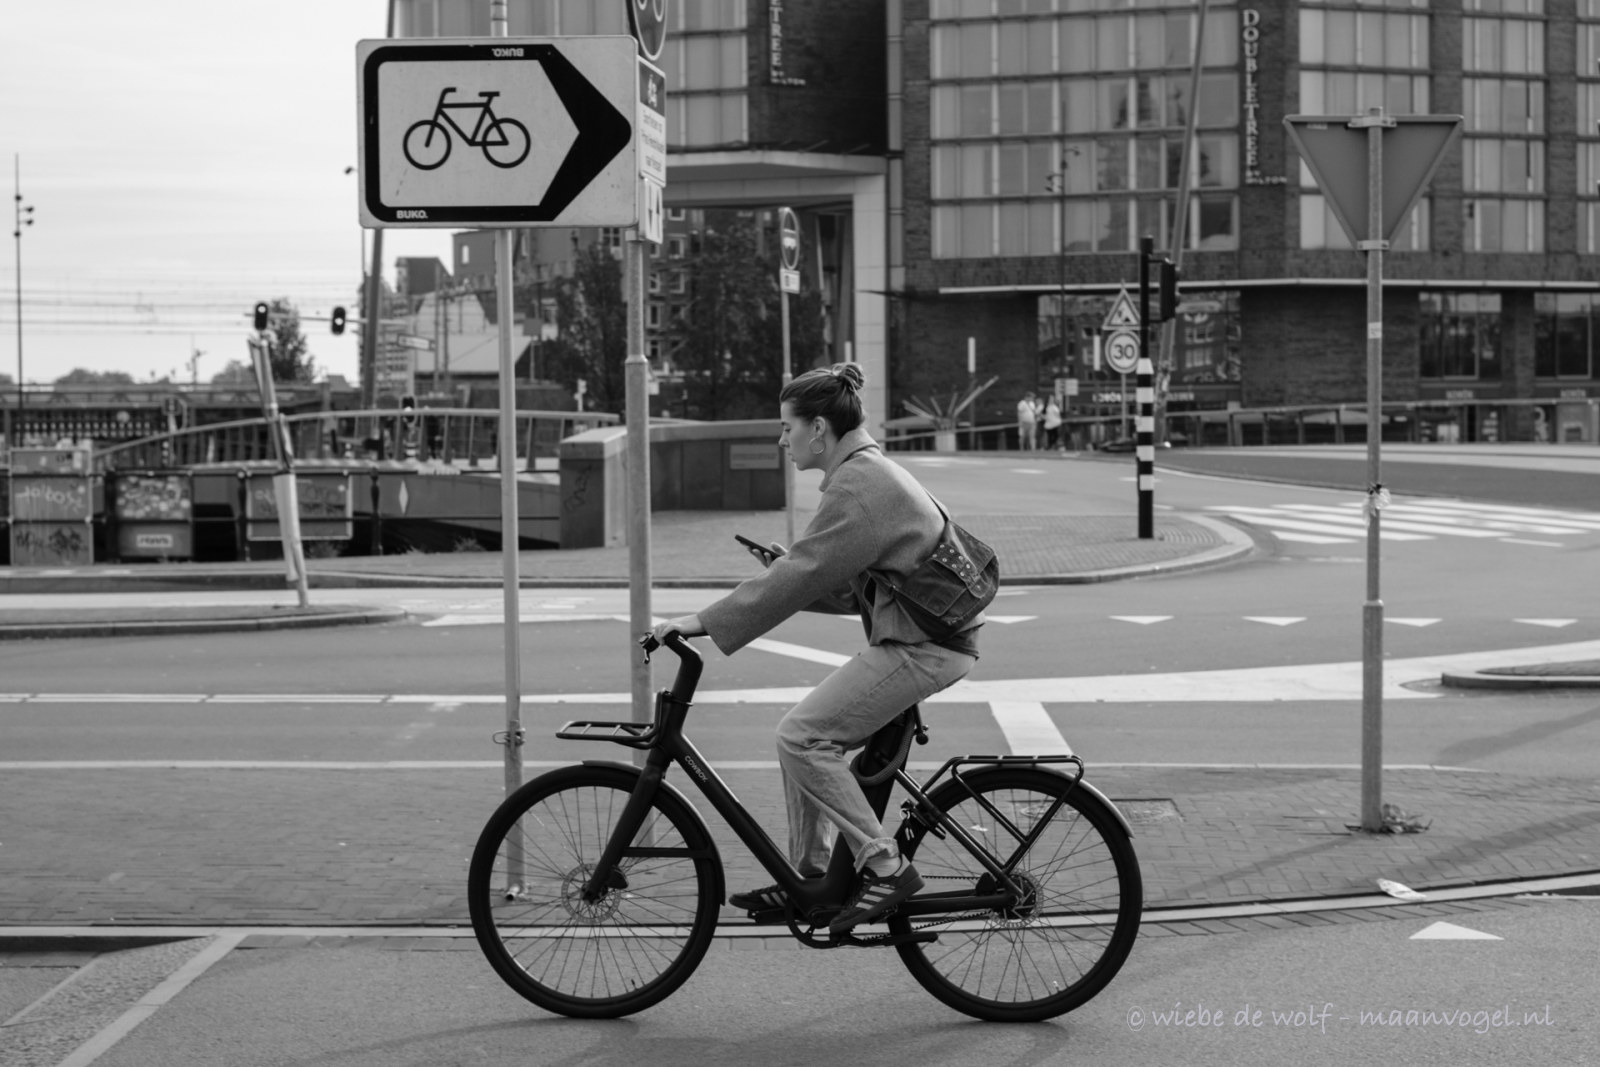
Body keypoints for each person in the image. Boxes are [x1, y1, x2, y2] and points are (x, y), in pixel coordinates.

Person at [651, 363, 982, 934]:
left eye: (787, 427)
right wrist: (788, 571)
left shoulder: (859, 487)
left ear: (820, 429)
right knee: (807, 737)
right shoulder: (866, 472)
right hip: (925, 636)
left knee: (802, 737)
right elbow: (845, 590)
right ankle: (810, 881)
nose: (782, 440)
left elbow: (797, 579)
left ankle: (885, 866)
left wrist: (700, 621)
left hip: (926, 645)